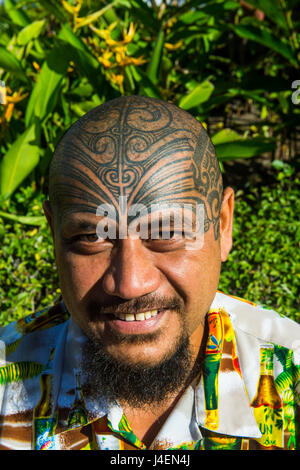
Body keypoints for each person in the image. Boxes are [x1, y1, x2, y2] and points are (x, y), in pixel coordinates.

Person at [0, 95, 299, 451]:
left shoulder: (288, 374)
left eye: (167, 233)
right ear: (54, 234)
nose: (129, 284)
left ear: (222, 224)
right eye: (91, 238)